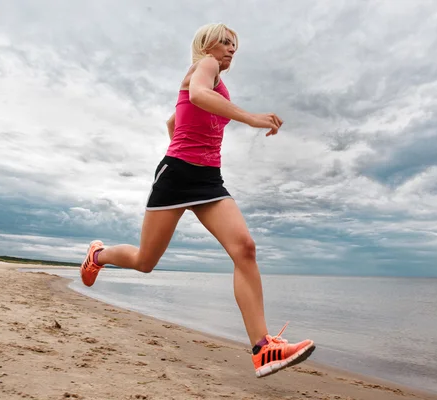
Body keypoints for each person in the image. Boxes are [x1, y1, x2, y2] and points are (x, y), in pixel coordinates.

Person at [80, 23, 315, 378]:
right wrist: (250, 118)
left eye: (234, 44)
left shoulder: (219, 83)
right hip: (176, 177)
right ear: (206, 45)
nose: (231, 48)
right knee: (145, 262)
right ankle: (97, 255)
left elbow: (173, 119)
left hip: (208, 181)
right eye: (224, 41)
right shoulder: (205, 66)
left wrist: (187, 142)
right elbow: (197, 97)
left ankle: (263, 348)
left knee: (245, 249)